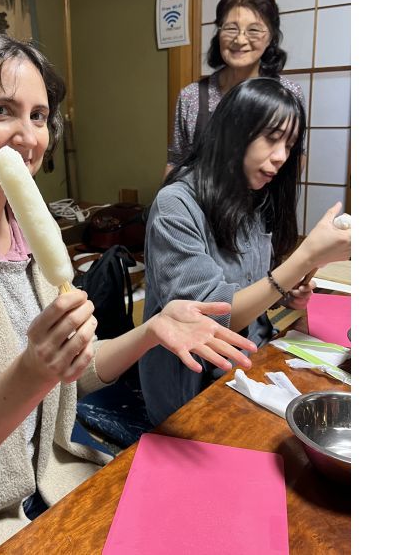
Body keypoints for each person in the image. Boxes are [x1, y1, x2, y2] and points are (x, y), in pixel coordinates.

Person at [0, 34, 257, 555]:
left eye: (39, 116)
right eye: (1, 110)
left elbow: (72, 375)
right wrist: (33, 370)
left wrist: (150, 331)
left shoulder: (31, 238)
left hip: (43, 485)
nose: (28, 136)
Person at [140, 77, 351, 427]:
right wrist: (304, 258)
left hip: (251, 359)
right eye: (271, 138)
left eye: (290, 144)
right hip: (190, 387)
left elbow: (255, 282)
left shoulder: (253, 195)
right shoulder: (175, 205)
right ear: (234, 132)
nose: (282, 157)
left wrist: (287, 294)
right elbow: (211, 319)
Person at [164, 0, 303, 177]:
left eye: (254, 30)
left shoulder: (288, 92)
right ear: (219, 32)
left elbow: (296, 157)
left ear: (271, 36)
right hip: (200, 206)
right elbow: (176, 162)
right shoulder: (191, 96)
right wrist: (166, 205)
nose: (240, 40)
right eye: (231, 28)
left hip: (263, 205)